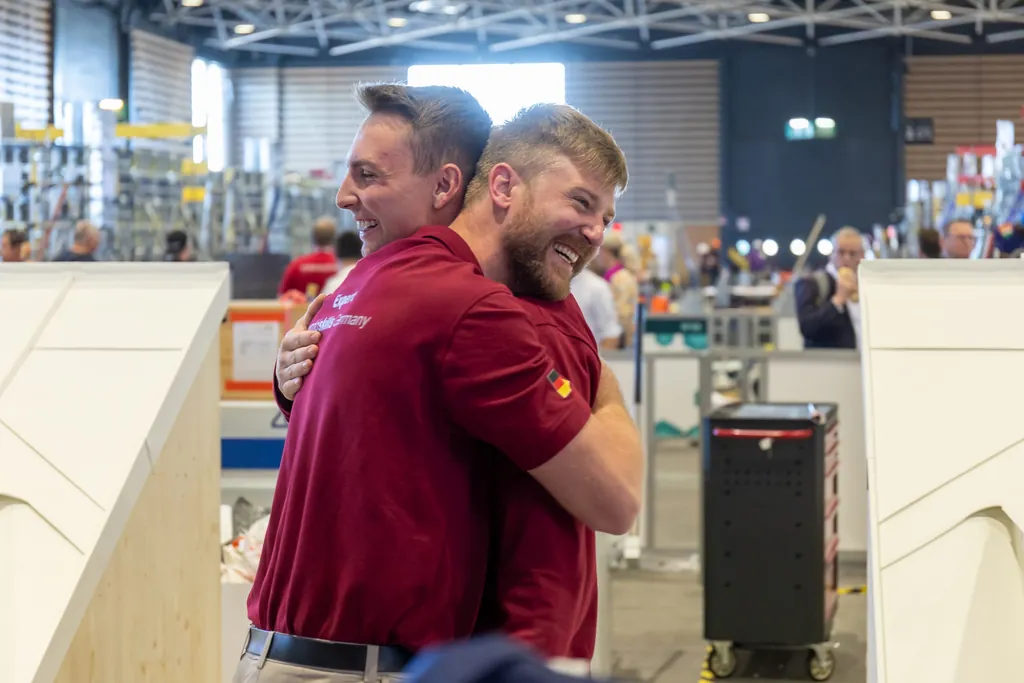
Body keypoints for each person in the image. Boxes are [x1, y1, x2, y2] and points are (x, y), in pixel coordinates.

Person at [240, 89, 639, 683]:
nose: (595, 233)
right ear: (500, 186)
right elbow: (616, 501)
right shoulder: (479, 311)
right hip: (365, 667)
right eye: (581, 203)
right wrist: (602, 381)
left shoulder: (364, 280)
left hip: (282, 654)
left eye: (605, 216)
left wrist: (285, 381)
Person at [794, 226, 864, 349]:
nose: (847, 258)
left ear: (861, 256)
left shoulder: (866, 286)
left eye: (852, 253)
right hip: (828, 364)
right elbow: (807, 328)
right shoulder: (812, 283)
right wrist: (837, 301)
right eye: (841, 252)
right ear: (831, 254)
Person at [591, 232, 638, 347]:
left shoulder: (621, 278)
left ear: (606, 252)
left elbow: (623, 313)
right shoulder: (611, 277)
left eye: (599, 251)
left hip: (619, 344)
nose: (597, 256)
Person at [277, 216, 338, 297]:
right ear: (334, 239)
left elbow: (282, 297)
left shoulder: (297, 265)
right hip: (336, 309)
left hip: (303, 309)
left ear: (313, 238)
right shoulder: (342, 267)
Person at [571, 265, 622, 350]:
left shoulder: (597, 287)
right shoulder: (545, 287)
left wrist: (595, 362)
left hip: (586, 359)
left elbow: (610, 335)